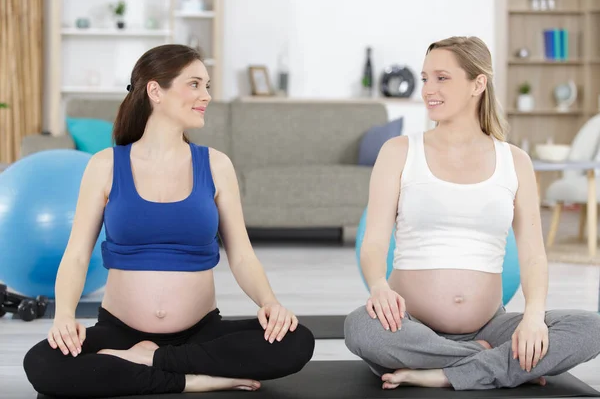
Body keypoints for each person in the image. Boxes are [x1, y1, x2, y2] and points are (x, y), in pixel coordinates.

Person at [23, 44, 315, 398]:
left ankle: (151, 361)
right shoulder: (105, 165)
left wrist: (269, 303)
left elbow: (241, 255)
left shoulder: (216, 165)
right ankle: (189, 378)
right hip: (120, 331)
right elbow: (77, 255)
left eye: (207, 86)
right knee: (42, 363)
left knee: (297, 341)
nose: (205, 96)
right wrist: (64, 317)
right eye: (194, 84)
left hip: (200, 331)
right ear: (155, 90)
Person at [344, 36, 600, 391]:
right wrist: (378, 287)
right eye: (425, 78)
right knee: (361, 329)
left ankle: (444, 371)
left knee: (591, 329)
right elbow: (373, 242)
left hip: (491, 327)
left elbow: (533, 255)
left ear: (478, 83)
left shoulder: (515, 161)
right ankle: (490, 364)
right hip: (410, 325)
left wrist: (533, 317)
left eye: (442, 78)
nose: (428, 89)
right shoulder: (399, 152)